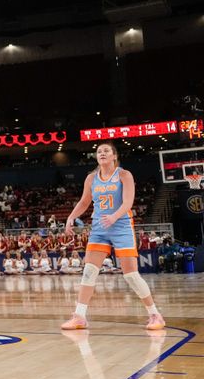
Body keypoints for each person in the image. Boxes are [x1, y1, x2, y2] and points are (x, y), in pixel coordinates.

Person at [61, 142, 165, 331]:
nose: (102, 153)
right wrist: (71, 217)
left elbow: (128, 202)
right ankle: (79, 317)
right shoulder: (91, 178)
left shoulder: (124, 175)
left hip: (121, 226)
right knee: (89, 271)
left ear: (114, 156)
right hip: (100, 228)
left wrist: (114, 216)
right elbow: (84, 202)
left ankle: (155, 315)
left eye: (106, 151)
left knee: (131, 276)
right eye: (99, 151)